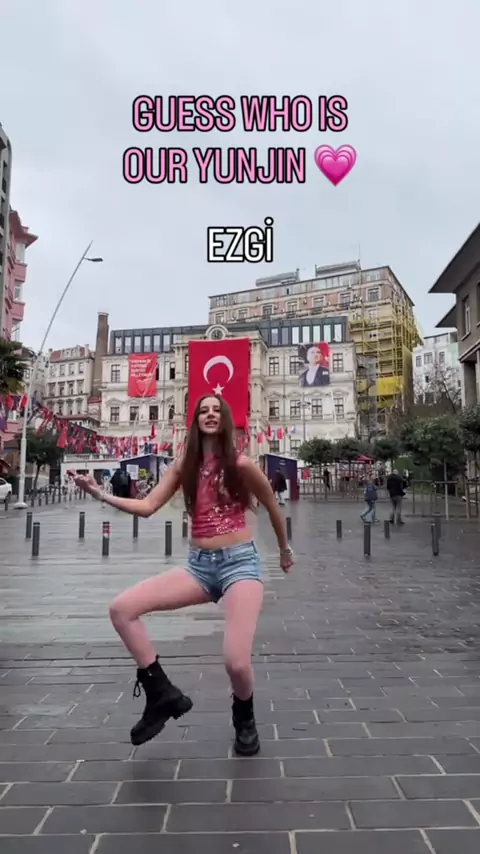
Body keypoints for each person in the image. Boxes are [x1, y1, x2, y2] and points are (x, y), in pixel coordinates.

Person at [71, 395, 294, 756]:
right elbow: (147, 506)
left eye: (216, 410)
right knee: (122, 609)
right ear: (196, 421)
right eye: (203, 410)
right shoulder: (182, 467)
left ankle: (244, 716)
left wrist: (284, 551)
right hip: (198, 567)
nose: (210, 414)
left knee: (236, 662)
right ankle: (161, 693)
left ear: (224, 420)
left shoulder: (241, 464)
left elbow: (271, 505)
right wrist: (99, 493)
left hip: (240, 565)